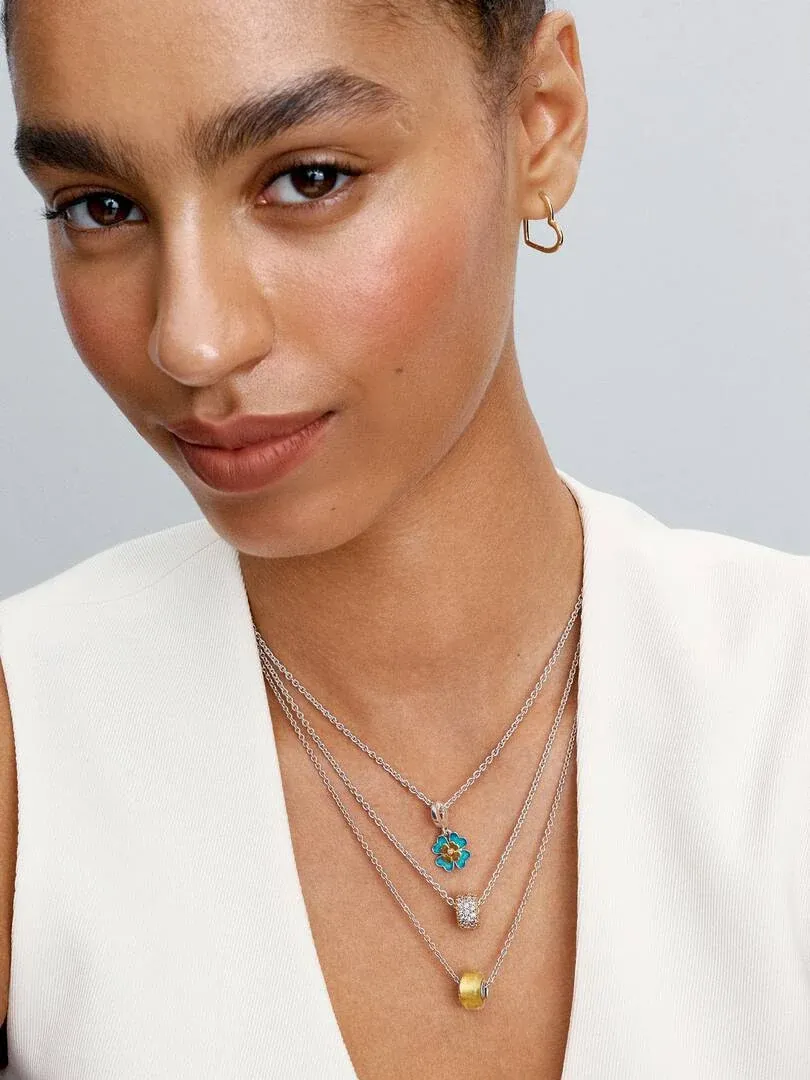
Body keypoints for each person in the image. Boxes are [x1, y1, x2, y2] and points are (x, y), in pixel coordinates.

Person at [0, 0, 808, 1077]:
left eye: (308, 179)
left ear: (540, 125)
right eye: (100, 206)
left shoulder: (781, 708)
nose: (191, 338)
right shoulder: (27, 752)